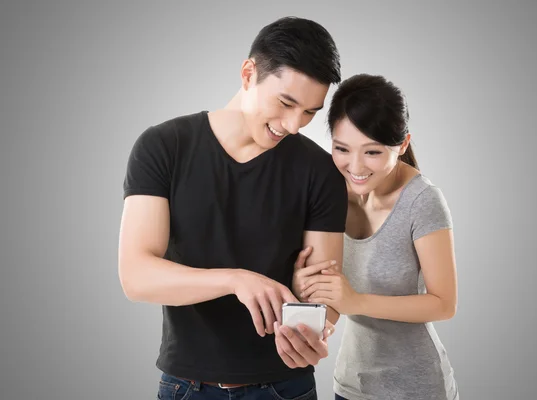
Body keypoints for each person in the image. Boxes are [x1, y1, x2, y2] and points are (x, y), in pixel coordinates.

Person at [118, 17, 348, 400]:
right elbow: (136, 276)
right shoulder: (164, 147)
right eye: (286, 103)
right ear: (247, 73)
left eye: (310, 112)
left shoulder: (320, 171)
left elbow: (323, 299)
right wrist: (237, 280)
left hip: (284, 387)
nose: (294, 125)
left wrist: (318, 328)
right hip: (185, 386)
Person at [294, 74, 459, 399]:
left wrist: (355, 301)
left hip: (416, 388)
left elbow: (444, 304)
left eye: (372, 152)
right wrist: (305, 291)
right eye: (342, 149)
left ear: (403, 145)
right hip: (349, 385)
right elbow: (331, 301)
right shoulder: (329, 192)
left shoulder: (422, 201)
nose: (354, 166)